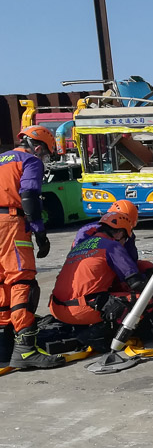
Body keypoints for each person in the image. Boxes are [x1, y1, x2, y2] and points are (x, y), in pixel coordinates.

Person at [49, 211, 153, 351]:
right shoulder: (111, 246)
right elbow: (135, 282)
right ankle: (99, 334)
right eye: (125, 238)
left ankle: (86, 329)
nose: (124, 243)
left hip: (57, 308)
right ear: (119, 234)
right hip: (81, 310)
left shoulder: (81, 245)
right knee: (145, 300)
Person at [0, 126, 64, 369]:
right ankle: (25, 349)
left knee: (1, 282)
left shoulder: (1, 160)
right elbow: (29, 195)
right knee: (21, 281)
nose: (44, 159)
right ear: (38, 147)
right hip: (11, 224)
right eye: (46, 154)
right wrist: (40, 232)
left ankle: (3, 347)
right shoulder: (30, 161)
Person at [73, 199, 149, 270]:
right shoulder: (87, 231)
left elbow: (132, 260)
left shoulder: (127, 234)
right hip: (93, 267)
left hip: (110, 266)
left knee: (146, 266)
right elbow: (78, 256)